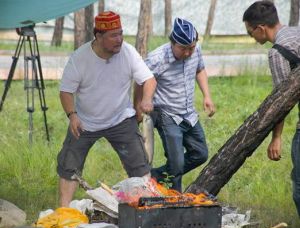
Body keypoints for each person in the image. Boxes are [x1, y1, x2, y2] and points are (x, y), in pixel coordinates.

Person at [57, 11, 157, 207]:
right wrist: (72, 115)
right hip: (85, 121)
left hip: (120, 118)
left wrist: (146, 99)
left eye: (121, 33)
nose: (119, 39)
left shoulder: (128, 52)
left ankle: (147, 209)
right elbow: (65, 92)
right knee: (69, 166)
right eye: (113, 35)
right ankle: (63, 210)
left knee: (140, 165)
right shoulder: (79, 58)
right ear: (98, 36)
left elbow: (149, 79)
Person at [136, 18, 215, 192]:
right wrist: (143, 102)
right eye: (183, 48)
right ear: (172, 42)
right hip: (166, 113)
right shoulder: (157, 58)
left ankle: (153, 177)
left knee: (200, 154)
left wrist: (206, 96)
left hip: (189, 113)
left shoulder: (196, 50)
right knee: (177, 162)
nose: (188, 53)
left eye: (191, 48)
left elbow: (200, 69)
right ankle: (174, 196)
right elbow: (141, 81)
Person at [243, 1, 300, 216]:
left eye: (250, 33)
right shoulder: (296, 33)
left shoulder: (278, 52)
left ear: (261, 29)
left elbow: (281, 101)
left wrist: (276, 138)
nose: (252, 38)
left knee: (299, 185)